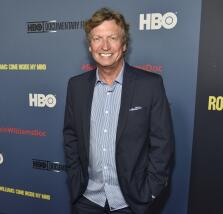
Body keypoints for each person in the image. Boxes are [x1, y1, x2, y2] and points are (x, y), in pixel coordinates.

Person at [63, 7, 174, 214]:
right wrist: (75, 180)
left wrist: (150, 191)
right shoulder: (76, 87)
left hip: (131, 202)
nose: (105, 46)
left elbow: (162, 143)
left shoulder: (149, 85)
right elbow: (70, 136)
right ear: (90, 46)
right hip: (87, 200)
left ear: (123, 45)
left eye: (112, 38)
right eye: (97, 38)